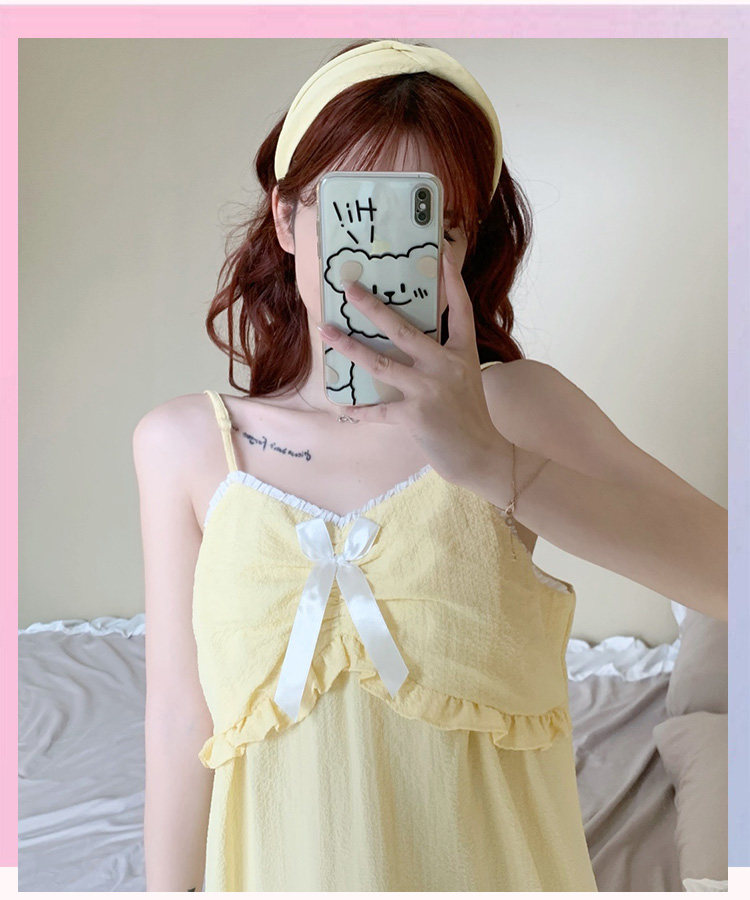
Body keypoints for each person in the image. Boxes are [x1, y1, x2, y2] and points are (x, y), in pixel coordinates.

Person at [133, 38, 727, 892]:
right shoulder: (185, 444)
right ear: (287, 218)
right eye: (355, 211)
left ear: (463, 246)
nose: (384, 260)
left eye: (430, 223)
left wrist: (494, 462)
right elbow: (177, 717)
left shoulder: (517, 409)